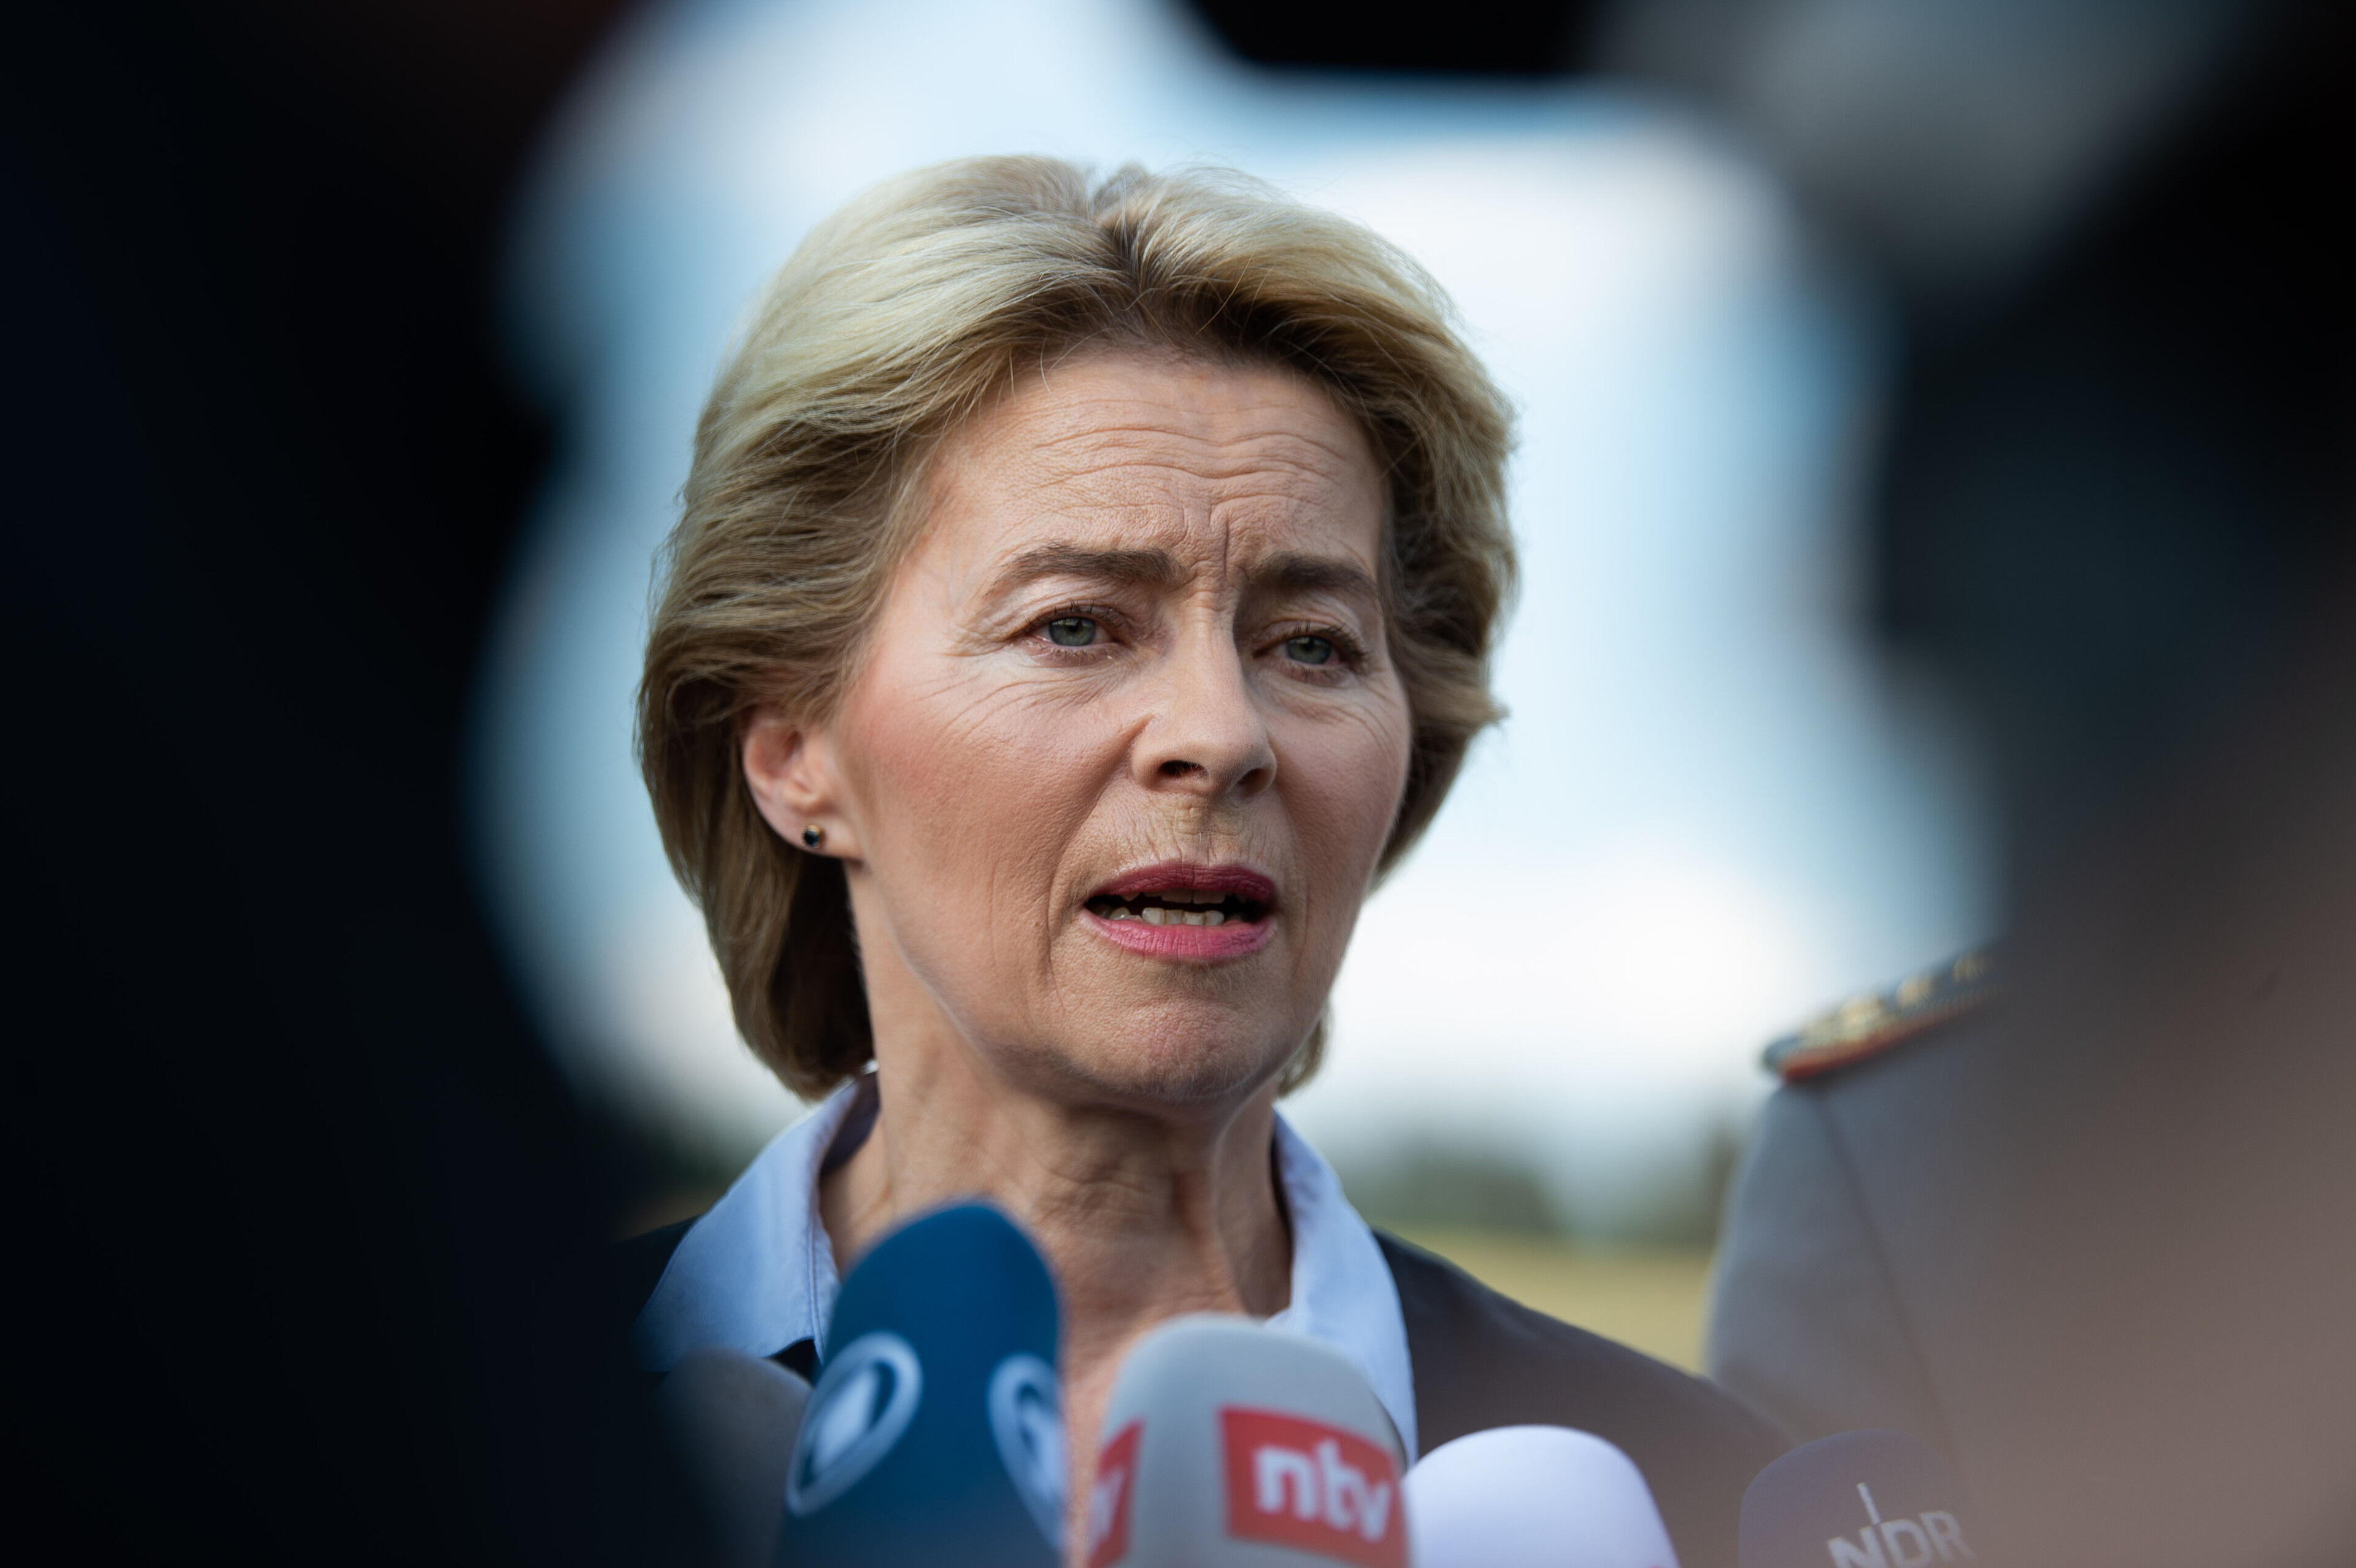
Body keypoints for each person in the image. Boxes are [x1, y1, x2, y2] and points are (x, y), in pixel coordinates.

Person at [613, 155, 1784, 1563]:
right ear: (793, 751)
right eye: (1076, 625)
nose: (1222, 735)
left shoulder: (1699, 1497)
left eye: (1312, 646)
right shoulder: (455, 1417)